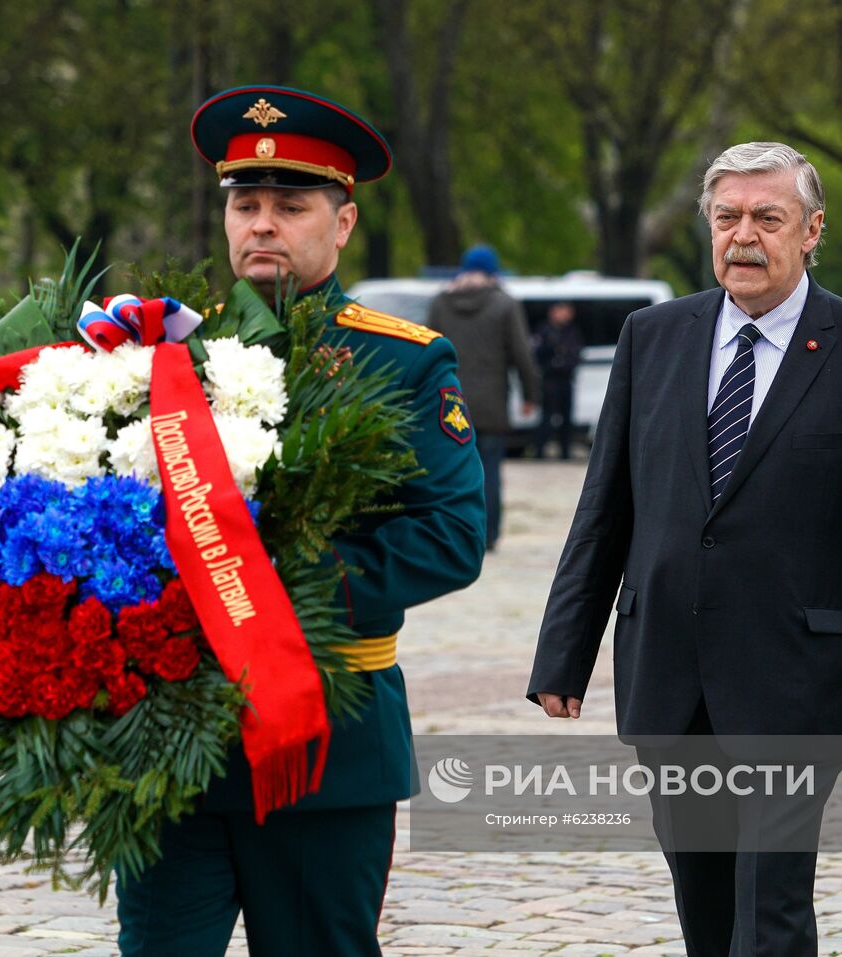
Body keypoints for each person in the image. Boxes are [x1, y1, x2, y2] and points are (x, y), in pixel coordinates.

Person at [526, 142, 842, 957]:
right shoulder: (651, 338)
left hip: (802, 681)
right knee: (706, 897)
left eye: (768, 217)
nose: (743, 236)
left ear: (811, 230)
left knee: (771, 899)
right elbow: (604, 509)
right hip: (669, 672)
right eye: (727, 217)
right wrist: (562, 656)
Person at [115, 85, 487, 957]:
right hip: (173, 736)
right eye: (246, 205)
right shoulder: (163, 356)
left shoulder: (401, 361)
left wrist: (268, 591)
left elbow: (451, 534)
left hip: (327, 735)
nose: (264, 225)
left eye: (292, 205)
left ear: (344, 222)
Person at [427, 244, 539, 551]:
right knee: (489, 470)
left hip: (448, 403)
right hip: (491, 404)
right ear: (492, 273)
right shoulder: (504, 304)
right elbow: (521, 353)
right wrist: (531, 394)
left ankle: (452, 532)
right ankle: (487, 535)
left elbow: (428, 352)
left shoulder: (440, 302)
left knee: (450, 471)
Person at [532, 301, 583, 459]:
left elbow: (576, 353)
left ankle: (565, 452)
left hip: (566, 379)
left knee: (567, 417)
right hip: (549, 380)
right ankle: (540, 451)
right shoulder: (544, 331)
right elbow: (538, 354)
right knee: (547, 416)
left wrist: (566, 363)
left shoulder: (572, 331)